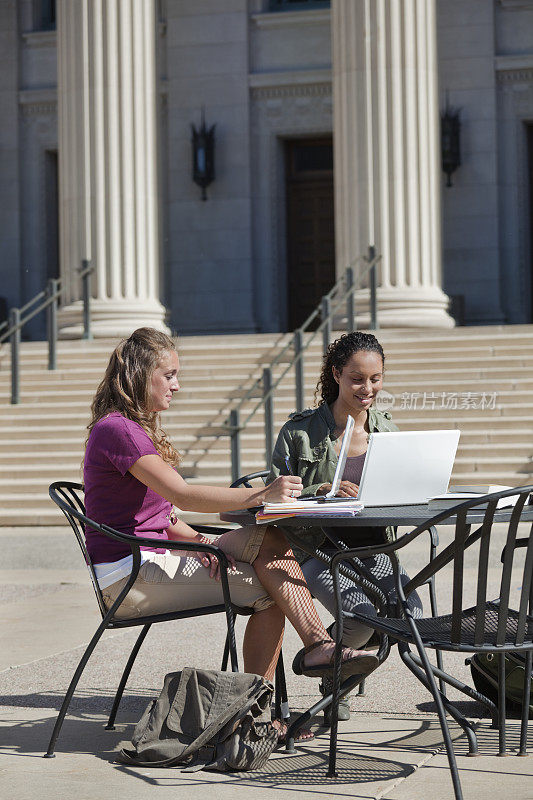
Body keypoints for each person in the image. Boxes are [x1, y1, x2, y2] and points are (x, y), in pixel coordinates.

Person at [83, 327, 379, 739]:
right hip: (130, 572)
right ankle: (258, 709)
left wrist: (199, 541)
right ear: (140, 372)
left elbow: (163, 516)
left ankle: (313, 651)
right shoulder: (118, 430)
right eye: (168, 374)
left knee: (272, 541)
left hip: (156, 552)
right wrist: (261, 494)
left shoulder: (132, 428)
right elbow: (180, 494)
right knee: (270, 590)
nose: (177, 385)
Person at [268, 331, 423, 724]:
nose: (367, 388)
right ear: (336, 374)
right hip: (318, 550)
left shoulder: (387, 431)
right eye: (357, 379)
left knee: (412, 615)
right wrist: (320, 491)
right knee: (361, 616)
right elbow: (275, 500)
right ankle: (332, 672)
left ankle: (337, 663)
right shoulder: (300, 432)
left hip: (375, 552)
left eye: (375, 378)